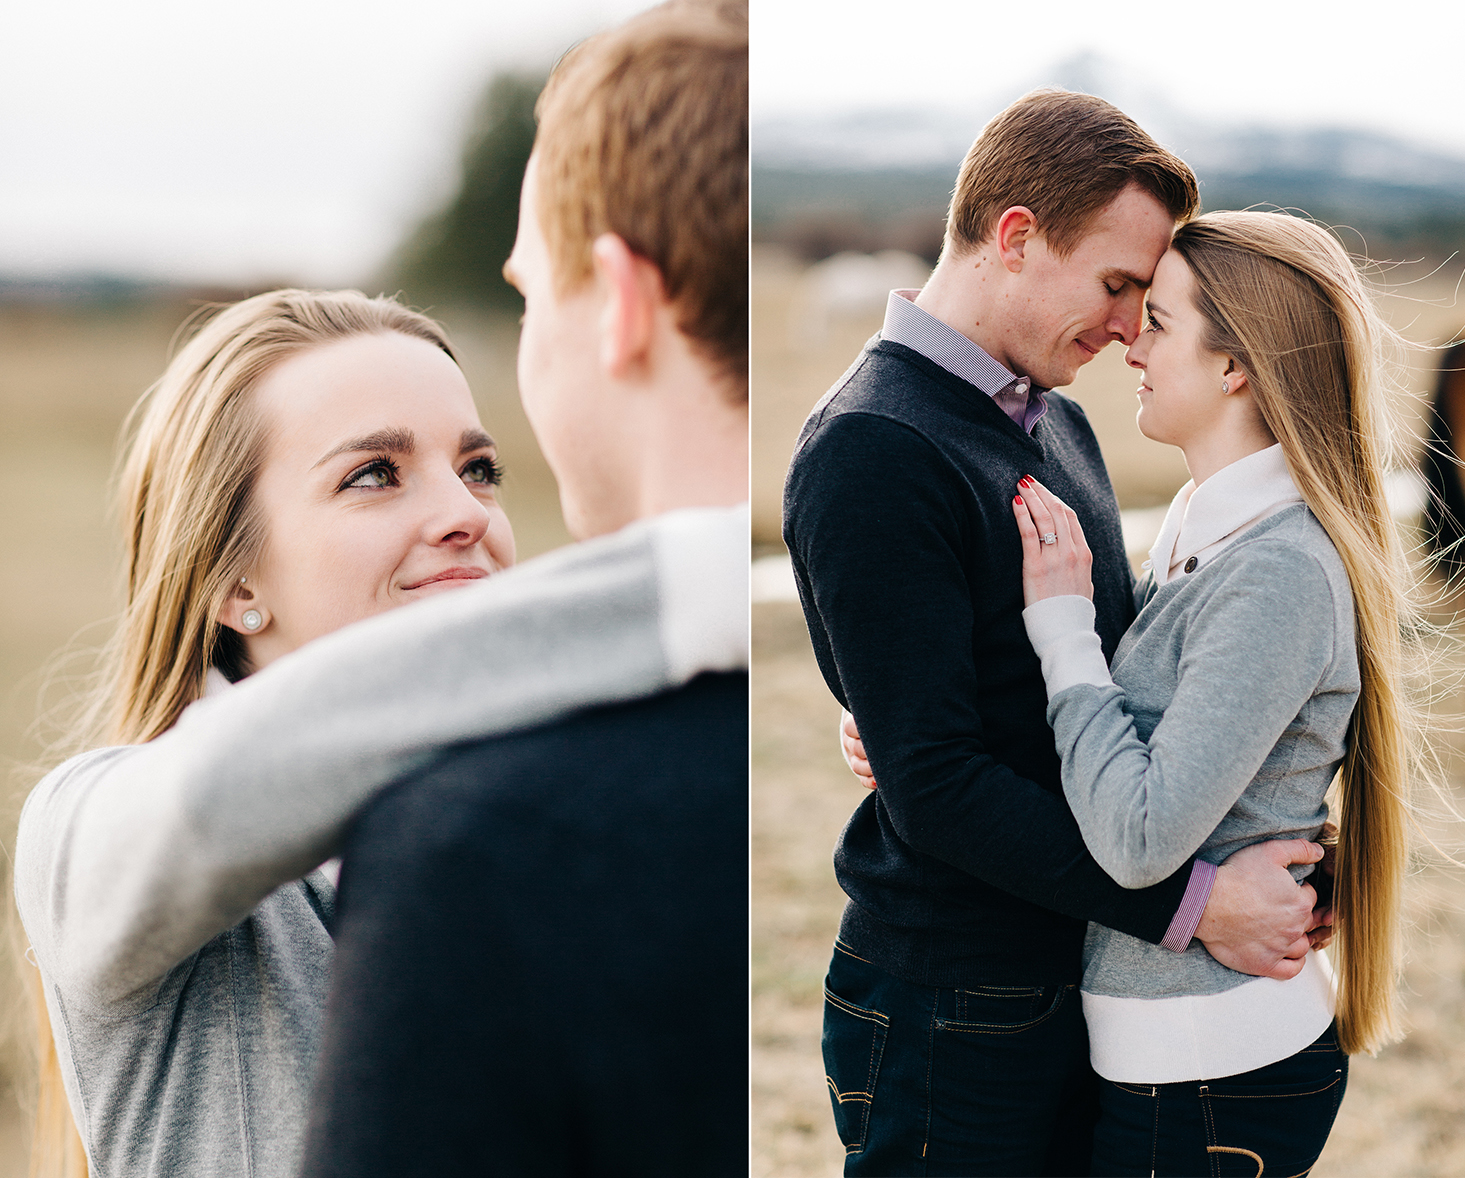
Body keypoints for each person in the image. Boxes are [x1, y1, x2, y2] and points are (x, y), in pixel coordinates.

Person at [13, 289, 745, 1178]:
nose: (467, 514)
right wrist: (685, 586)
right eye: (373, 475)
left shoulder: (548, 828)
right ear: (235, 583)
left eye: (479, 469)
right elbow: (216, 793)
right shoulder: (84, 832)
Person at [782, 90, 1332, 1176]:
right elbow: (936, 781)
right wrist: (1198, 904)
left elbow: (1117, 683)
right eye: (1120, 285)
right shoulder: (872, 448)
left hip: (1074, 973)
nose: (1132, 326)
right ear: (1019, 237)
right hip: (953, 995)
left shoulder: (1059, 421)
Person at [295, 2, 748, 1175]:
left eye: (531, 291)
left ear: (622, 299)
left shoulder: (482, 847)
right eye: (375, 473)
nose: (462, 509)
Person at [1001, 210, 1410, 1174]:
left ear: (1237, 367)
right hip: (1166, 1053)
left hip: (1209, 1069)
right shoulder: (1202, 520)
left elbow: (1141, 837)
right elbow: (1150, 740)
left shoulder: (1276, 571)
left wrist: (1062, 630)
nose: (1129, 344)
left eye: (1161, 321)